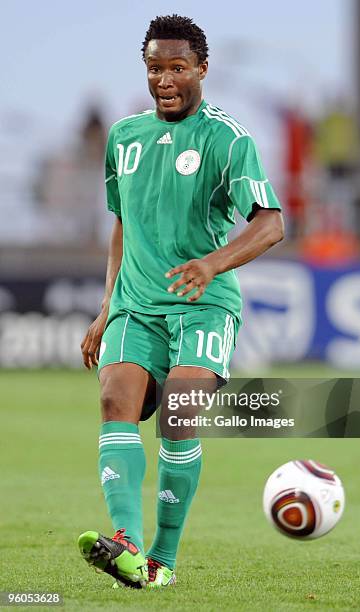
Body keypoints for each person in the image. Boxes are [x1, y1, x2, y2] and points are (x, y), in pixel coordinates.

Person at [78, 14, 284, 589]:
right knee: (115, 400)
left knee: (178, 412)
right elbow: (123, 225)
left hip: (204, 304)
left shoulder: (229, 139)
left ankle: (162, 561)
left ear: (202, 69)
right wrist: (106, 305)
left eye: (176, 68)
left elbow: (271, 224)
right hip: (135, 304)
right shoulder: (124, 138)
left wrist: (211, 263)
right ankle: (127, 545)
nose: (164, 79)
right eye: (153, 68)